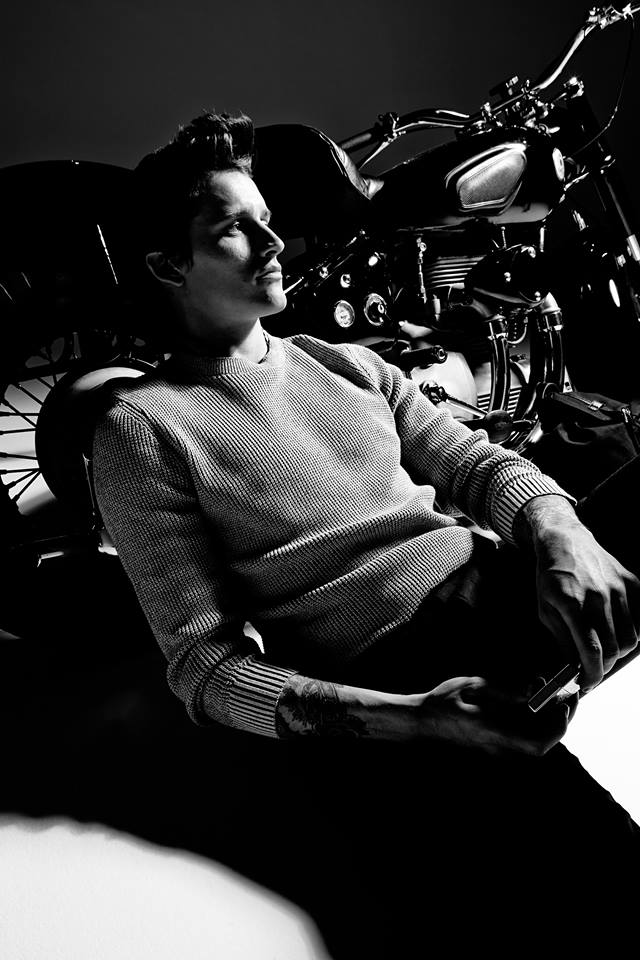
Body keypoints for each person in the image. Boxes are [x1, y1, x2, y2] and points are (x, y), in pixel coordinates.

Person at [92, 112, 640, 955]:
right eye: (236, 228)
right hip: (399, 666)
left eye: (268, 218)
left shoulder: (343, 361)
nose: (275, 242)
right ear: (169, 264)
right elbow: (206, 666)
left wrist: (565, 538)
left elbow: (476, 465)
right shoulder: (142, 427)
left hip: (500, 588)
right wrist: (417, 720)